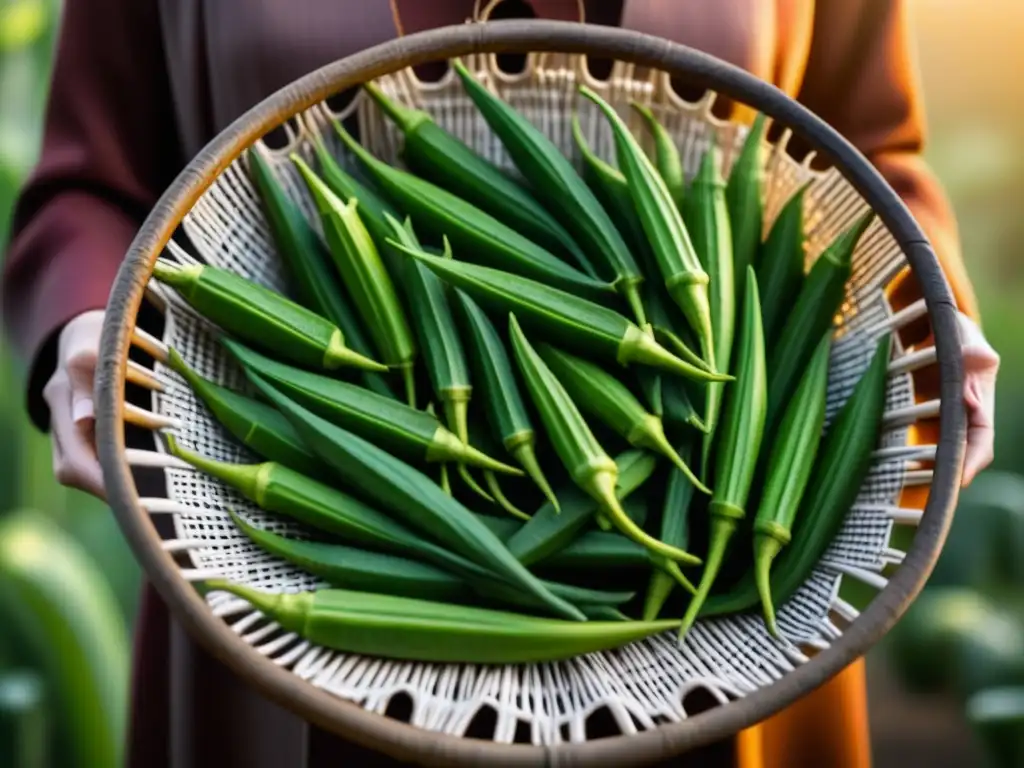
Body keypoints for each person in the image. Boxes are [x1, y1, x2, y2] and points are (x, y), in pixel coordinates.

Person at [0, 1, 999, 766]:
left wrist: (936, 313)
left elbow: (872, 151)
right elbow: (88, 181)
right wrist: (87, 323)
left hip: (730, 603)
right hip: (301, 577)